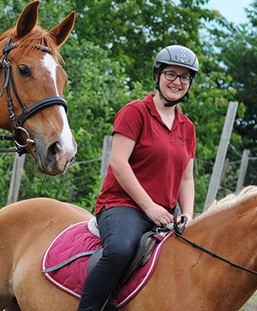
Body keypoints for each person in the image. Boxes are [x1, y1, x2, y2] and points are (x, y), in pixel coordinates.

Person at [77, 45, 199, 311]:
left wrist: (188, 215)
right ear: (157, 75)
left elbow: (186, 180)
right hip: (123, 205)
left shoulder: (187, 128)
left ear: (190, 83)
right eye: (170, 74)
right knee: (121, 250)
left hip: (166, 212)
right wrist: (149, 207)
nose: (177, 82)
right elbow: (118, 163)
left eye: (184, 77)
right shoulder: (135, 112)